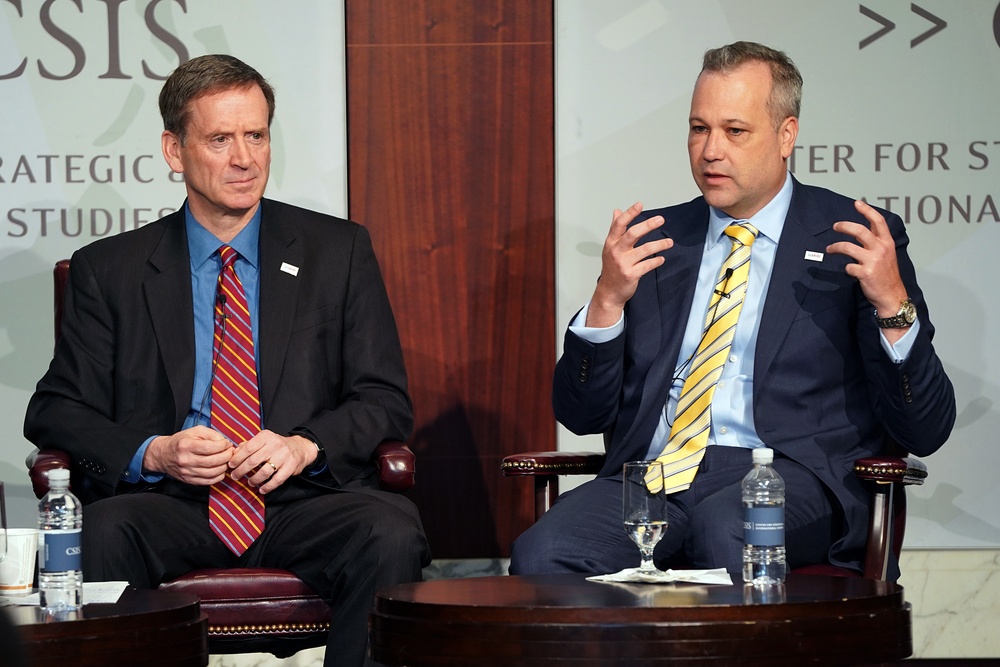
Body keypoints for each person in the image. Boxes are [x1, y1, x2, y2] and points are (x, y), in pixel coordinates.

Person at [23, 54, 429, 666]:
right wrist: (154, 452)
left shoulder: (337, 251)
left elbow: (383, 399)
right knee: (105, 532)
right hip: (172, 502)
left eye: (256, 135)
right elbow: (55, 409)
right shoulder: (110, 270)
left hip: (302, 499)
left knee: (390, 530)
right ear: (174, 150)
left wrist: (304, 445)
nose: (245, 158)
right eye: (219, 139)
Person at [509, 41, 955, 581]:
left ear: (786, 135)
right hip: (655, 478)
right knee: (543, 553)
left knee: (732, 527)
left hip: (784, 475)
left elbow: (925, 427)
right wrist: (606, 301)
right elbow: (581, 416)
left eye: (734, 131)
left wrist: (891, 304)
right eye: (699, 129)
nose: (711, 150)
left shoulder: (852, 239)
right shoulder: (656, 242)